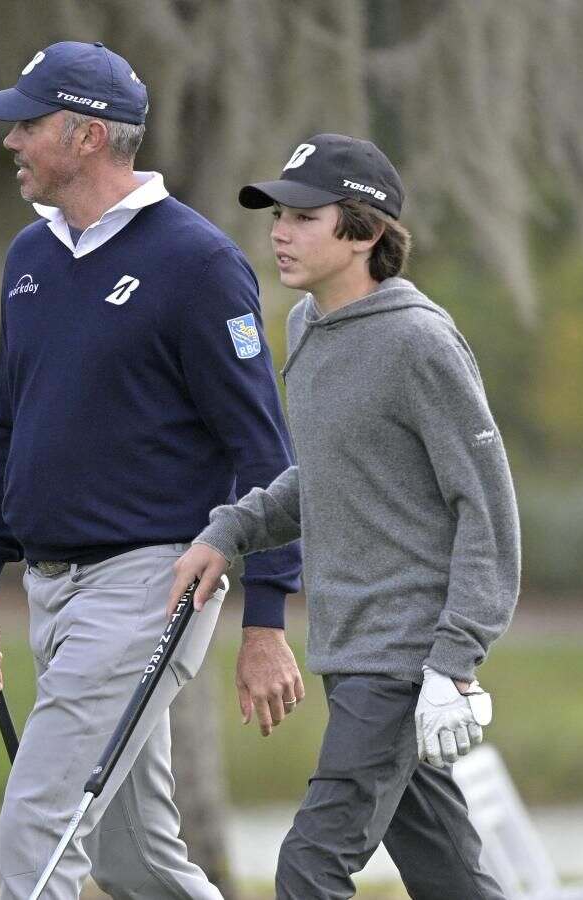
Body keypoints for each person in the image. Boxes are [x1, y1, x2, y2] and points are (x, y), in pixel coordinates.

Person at [0, 41, 304, 900]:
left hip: (153, 582)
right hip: (52, 591)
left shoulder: (197, 262)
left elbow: (266, 454)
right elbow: (8, 427)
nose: (11, 142)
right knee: (130, 857)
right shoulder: (28, 260)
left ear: (85, 137)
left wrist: (265, 621)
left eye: (27, 124)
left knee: (41, 819)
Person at [169, 133, 520, 899]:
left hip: (405, 661)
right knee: (446, 872)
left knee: (311, 864)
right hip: (351, 650)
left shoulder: (420, 342)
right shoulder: (308, 328)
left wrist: (454, 662)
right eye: (276, 215)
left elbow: (487, 508)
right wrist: (227, 532)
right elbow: (324, 480)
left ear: (361, 230)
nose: (279, 232)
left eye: (302, 216)